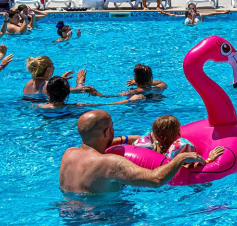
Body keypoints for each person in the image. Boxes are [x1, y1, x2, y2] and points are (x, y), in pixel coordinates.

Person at [59, 110, 204, 195]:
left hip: (69, 212)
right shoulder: (110, 162)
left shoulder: (68, 154)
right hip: (102, 219)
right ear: (107, 132)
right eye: (112, 127)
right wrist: (181, 158)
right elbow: (156, 180)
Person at [125, 115, 223, 166]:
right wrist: (209, 160)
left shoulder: (151, 146)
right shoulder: (181, 150)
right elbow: (185, 169)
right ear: (177, 133)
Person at [36, 76, 144, 111]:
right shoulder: (76, 106)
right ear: (68, 94)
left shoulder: (38, 106)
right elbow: (107, 104)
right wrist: (130, 100)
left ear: (48, 93)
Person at [23, 56, 97, 97]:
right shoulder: (49, 84)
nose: (54, 67)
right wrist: (80, 82)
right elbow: (78, 90)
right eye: (52, 65)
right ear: (48, 70)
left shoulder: (29, 83)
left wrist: (61, 80)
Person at [158, 2, 230, 25]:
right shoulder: (186, 17)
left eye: (194, 8)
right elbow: (173, 15)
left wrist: (223, 12)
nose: (193, 10)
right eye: (191, 9)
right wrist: (163, 13)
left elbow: (212, 13)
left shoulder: (198, 15)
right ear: (188, 10)